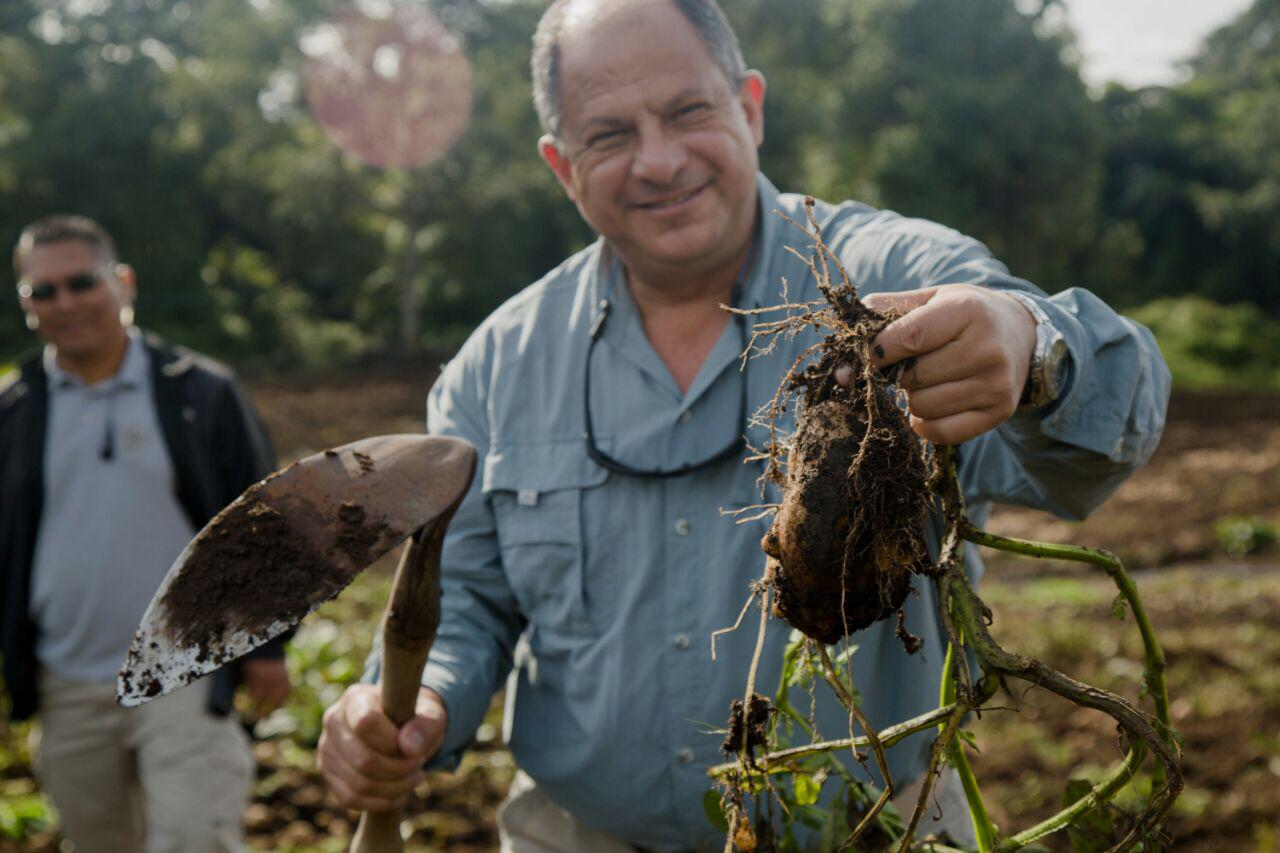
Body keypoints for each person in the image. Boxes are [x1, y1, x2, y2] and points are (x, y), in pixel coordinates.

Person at [317, 0, 1170, 849]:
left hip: (881, 829)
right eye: (609, 134)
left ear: (750, 107)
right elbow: (464, 599)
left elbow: (1118, 400)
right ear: (562, 166)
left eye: (688, 110)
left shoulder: (888, 275)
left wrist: (1034, 347)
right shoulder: (498, 365)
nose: (658, 161)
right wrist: (417, 700)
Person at [0, 215, 292, 851]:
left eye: (81, 282)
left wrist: (269, 648)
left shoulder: (199, 392)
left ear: (122, 282)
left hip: (182, 668)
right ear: (25, 304)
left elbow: (264, 522)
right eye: (42, 292)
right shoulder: (15, 408)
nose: (65, 303)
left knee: (194, 838)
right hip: (65, 679)